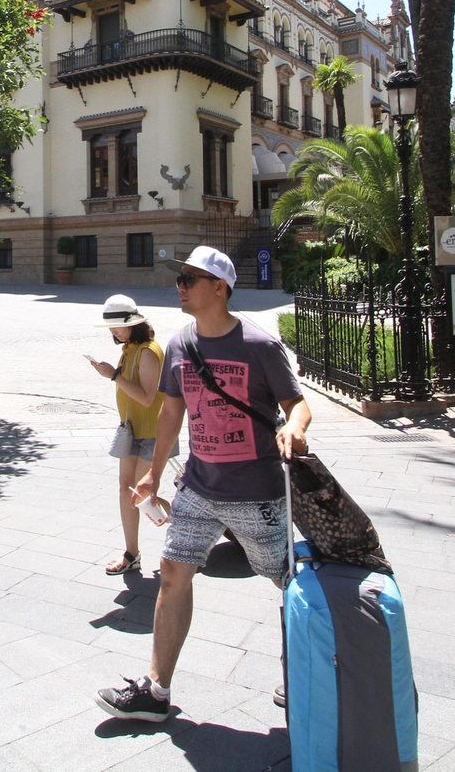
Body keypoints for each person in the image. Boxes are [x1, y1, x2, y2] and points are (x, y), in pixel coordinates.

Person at [95, 246, 312, 722]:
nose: (181, 287)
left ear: (220, 288)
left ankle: (307, 675)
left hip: (256, 492)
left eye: (191, 279)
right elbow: (172, 410)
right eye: (180, 279)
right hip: (198, 486)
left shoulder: (258, 344)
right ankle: (155, 691)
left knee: (290, 584)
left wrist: (293, 428)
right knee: (173, 574)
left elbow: (297, 404)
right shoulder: (179, 344)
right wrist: (153, 472)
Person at [86, 294, 174, 576]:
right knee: (127, 492)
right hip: (131, 429)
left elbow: (148, 399)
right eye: (110, 327)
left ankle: (194, 524)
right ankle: (131, 553)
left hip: (151, 432)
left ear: (133, 324)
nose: (113, 332)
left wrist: (114, 376)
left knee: (142, 494)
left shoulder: (148, 350)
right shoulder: (130, 348)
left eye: (117, 327)